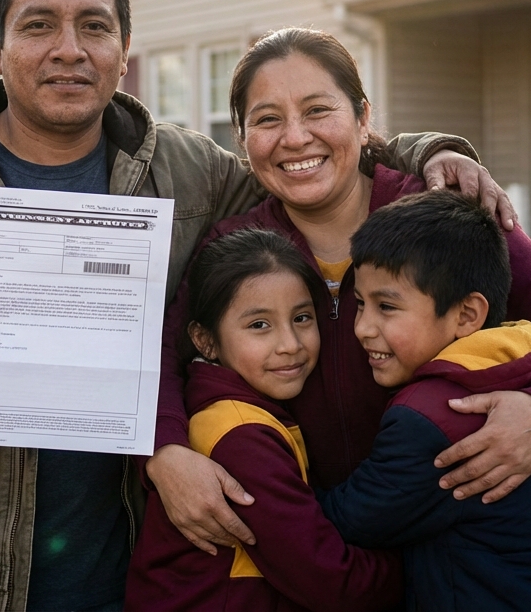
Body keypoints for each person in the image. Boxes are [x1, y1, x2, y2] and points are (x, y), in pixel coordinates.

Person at [0, 0, 504, 612]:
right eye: (39, 25)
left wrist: (425, 151)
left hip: (126, 576)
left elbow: (306, 155)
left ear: (122, 49)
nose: (69, 49)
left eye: (94, 27)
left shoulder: (188, 173)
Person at [149, 28, 531, 557]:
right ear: (242, 140)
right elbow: (163, 359)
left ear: (361, 117)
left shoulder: (443, 214)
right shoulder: (236, 246)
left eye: (317, 110)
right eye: (267, 119)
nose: (294, 137)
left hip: (461, 556)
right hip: (320, 555)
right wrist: (164, 451)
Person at [317, 190, 531, 610]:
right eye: (359, 305)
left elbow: (345, 521)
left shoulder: (432, 420)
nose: (363, 328)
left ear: (466, 315)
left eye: (386, 307)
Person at [126, 229, 401, 611]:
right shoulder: (239, 435)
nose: (290, 343)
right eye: (259, 325)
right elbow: (328, 579)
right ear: (205, 341)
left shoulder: (245, 411)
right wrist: (420, 566)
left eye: (302, 318)